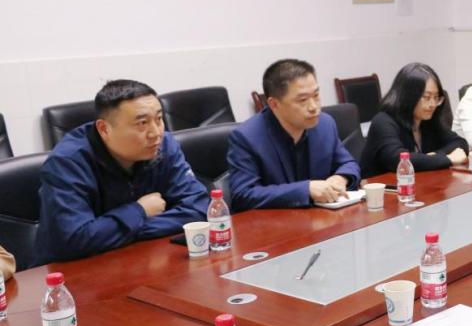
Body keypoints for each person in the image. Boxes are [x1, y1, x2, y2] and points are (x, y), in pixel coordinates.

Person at [37, 80, 209, 264]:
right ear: (104, 129)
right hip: (73, 271)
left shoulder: (164, 145)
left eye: (159, 119)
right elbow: (74, 240)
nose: (156, 133)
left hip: (141, 260)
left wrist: (130, 229)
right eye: (142, 123)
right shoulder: (67, 163)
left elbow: (198, 208)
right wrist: (139, 211)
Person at [228, 59, 361, 211]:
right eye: (303, 100)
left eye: (316, 95)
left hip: (322, 219)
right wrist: (306, 190)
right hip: (276, 223)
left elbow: (349, 164)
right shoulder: (247, 137)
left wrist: (341, 178)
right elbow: (243, 195)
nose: (314, 107)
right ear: (274, 104)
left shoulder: (325, 124)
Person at [360, 63, 469, 177]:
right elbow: (398, 160)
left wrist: (434, 156)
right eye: (426, 97)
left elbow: (460, 143)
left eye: (436, 97)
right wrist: (447, 159)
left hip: (416, 184)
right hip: (382, 186)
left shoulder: (428, 120)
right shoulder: (383, 122)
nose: (433, 104)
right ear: (408, 96)